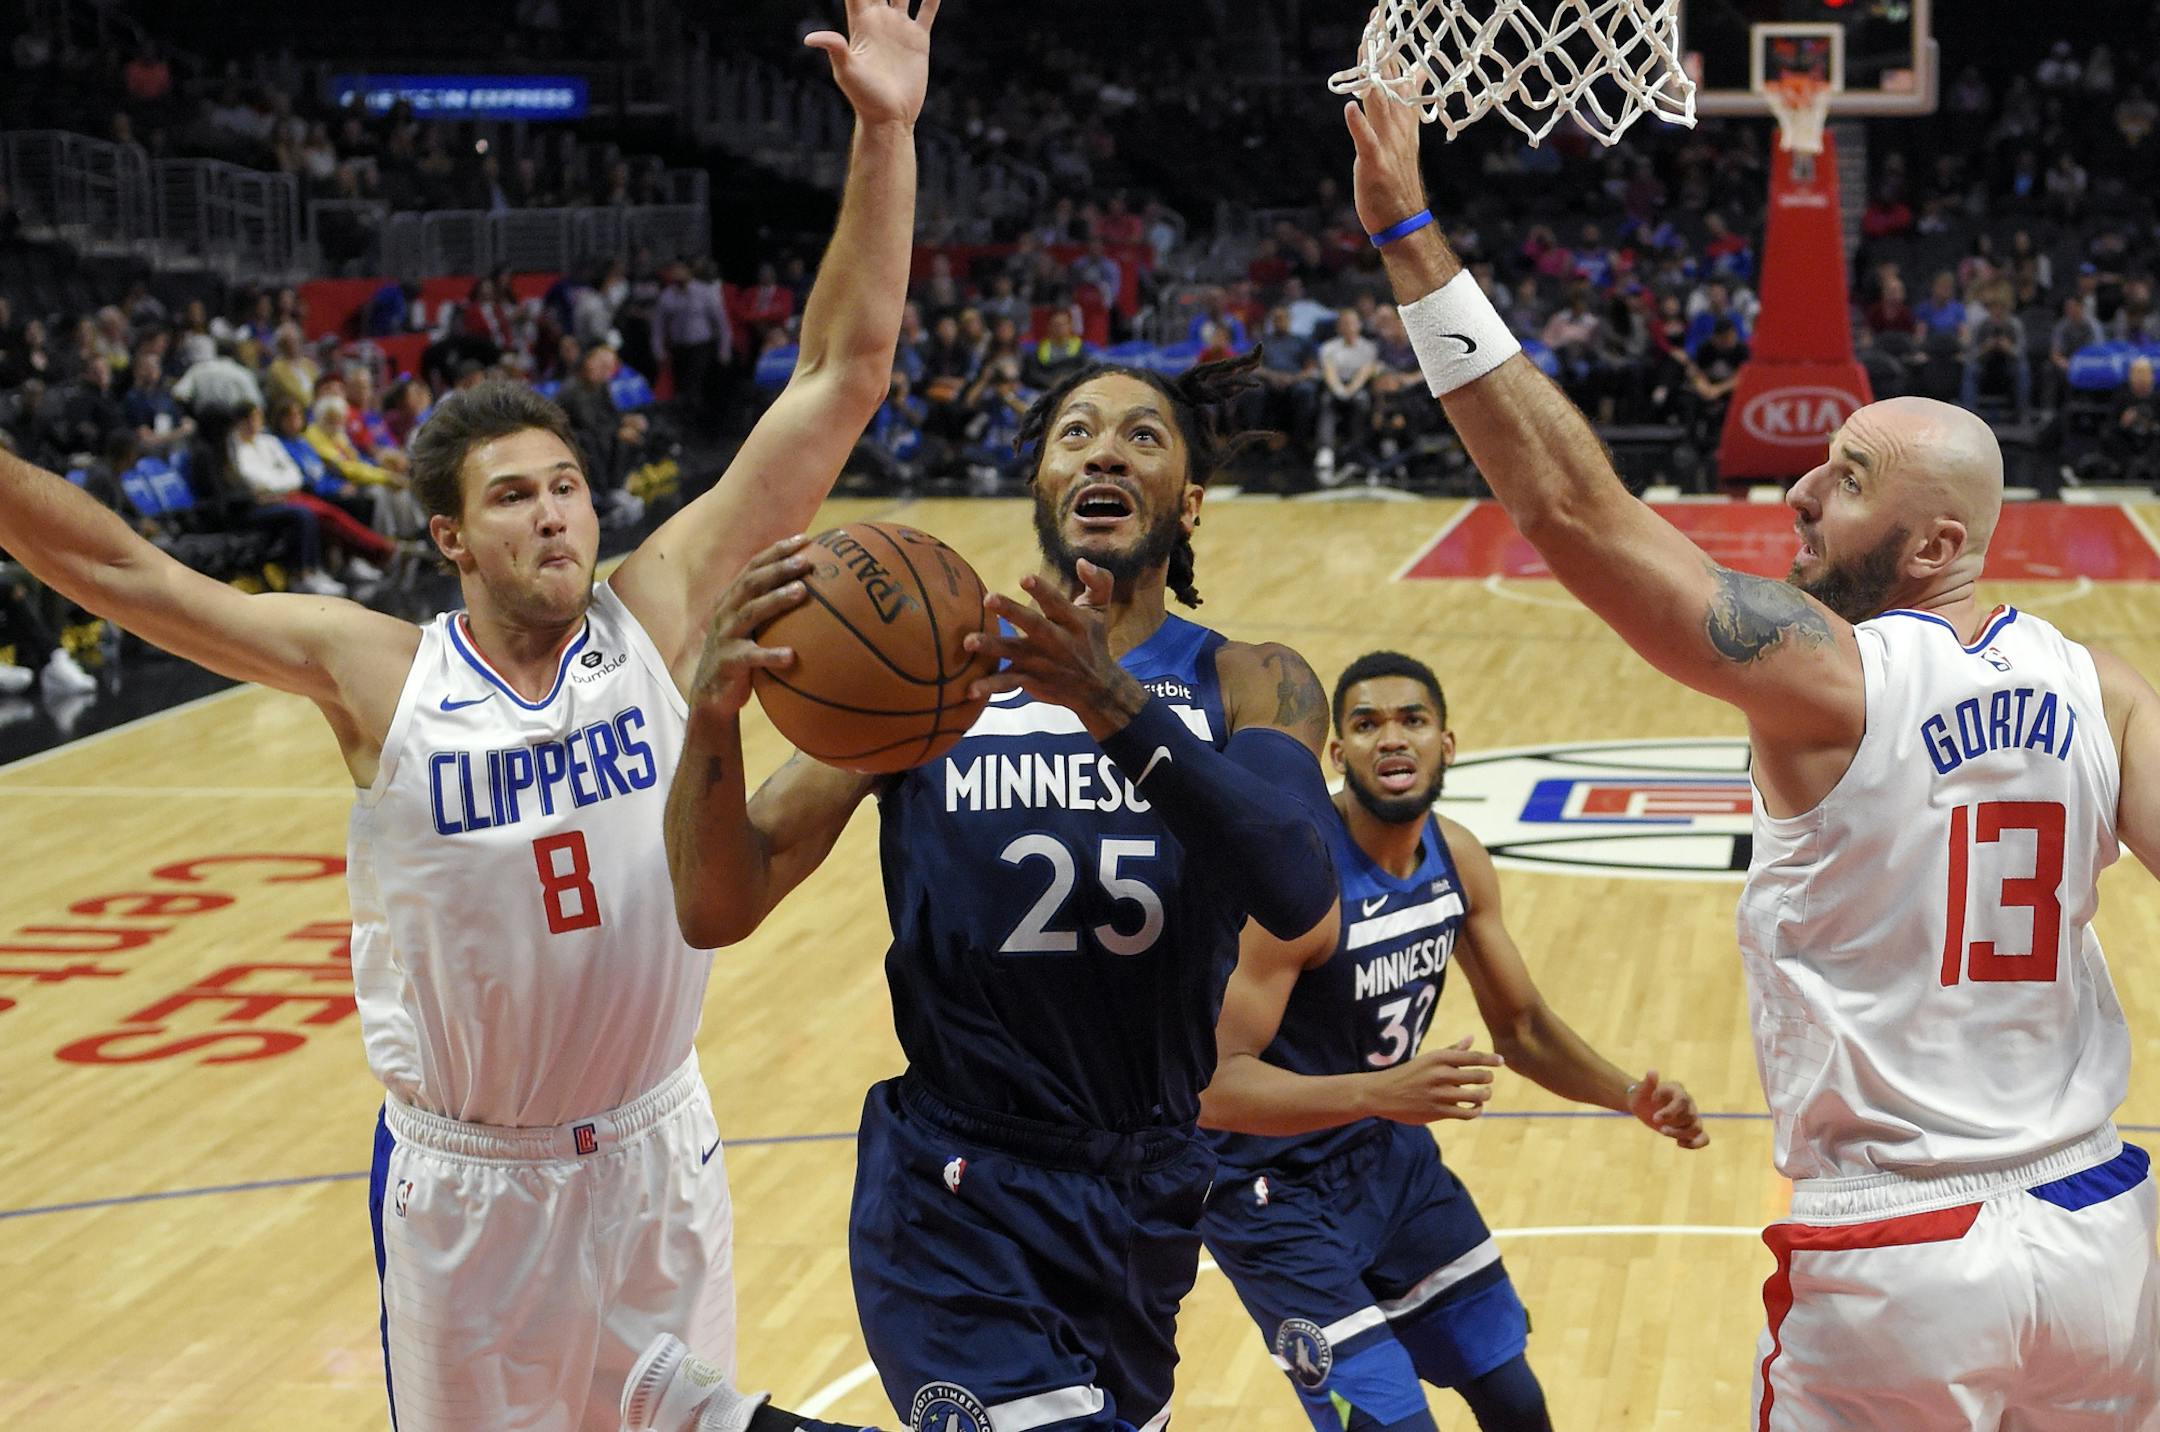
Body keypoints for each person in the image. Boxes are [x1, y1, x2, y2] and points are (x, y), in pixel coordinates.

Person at [0, 4, 935, 1426]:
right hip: (467, 1188)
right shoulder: (378, 673)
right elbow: (125, 568)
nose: (555, 513)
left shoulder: (657, 609)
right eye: (514, 496)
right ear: (451, 538)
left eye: (564, 484)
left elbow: (839, 376)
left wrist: (884, 131)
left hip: (651, 1154)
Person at [1341, 81, 2159, 1428]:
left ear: (1939, 543)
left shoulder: (1833, 679)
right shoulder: (2107, 688)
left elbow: (1565, 505)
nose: (1796, 487)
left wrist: (1409, 232)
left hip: (1908, 1252)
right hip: (2099, 1237)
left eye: (1845, 477)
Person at [655, 350, 1342, 1432]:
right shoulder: (934, 674)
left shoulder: (1250, 680)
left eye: (1141, 435)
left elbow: (1300, 886)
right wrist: (710, 723)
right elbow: (718, 904)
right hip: (958, 1178)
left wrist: (1112, 702)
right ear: (1040, 484)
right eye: (1075, 431)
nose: (1104, 447)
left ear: (1191, 503)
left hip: (1149, 1176)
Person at [1199, 650, 1707, 1432]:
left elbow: (1524, 1027)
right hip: (1270, 1193)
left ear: (1449, 744)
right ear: (1338, 755)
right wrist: (1379, 1093)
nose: (1391, 739)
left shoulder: (1457, 856)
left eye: (1413, 721)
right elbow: (1210, 1091)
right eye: (1366, 725)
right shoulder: (1299, 885)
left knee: (1515, 1402)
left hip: (1388, 1161)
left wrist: (1625, 1094)